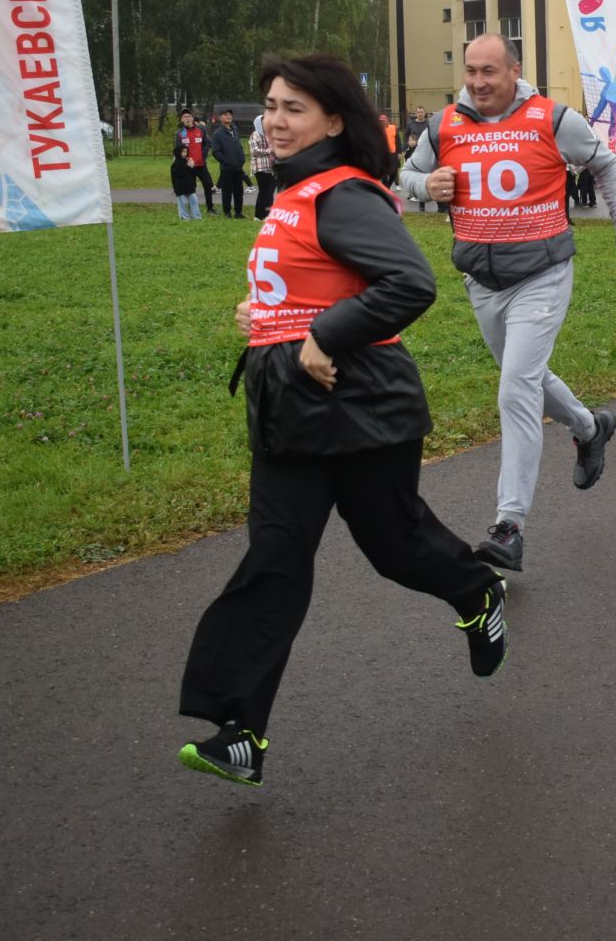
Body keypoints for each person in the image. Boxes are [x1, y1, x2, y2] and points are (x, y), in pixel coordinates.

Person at [177, 54, 506, 788]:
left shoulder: (344, 194)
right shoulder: (291, 192)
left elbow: (409, 283)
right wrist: (266, 318)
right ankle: (241, 730)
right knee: (276, 558)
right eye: (270, 105)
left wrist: (323, 335)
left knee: (394, 545)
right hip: (291, 409)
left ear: (333, 118)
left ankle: (476, 590)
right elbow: (311, 285)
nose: (275, 119)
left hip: (362, 405)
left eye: (294, 107)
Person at [398, 34, 616, 570]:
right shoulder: (444, 126)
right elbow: (405, 177)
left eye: (489, 71)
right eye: (470, 71)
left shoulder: (552, 119)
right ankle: (589, 427)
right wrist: (426, 185)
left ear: (515, 70)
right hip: (481, 280)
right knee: (525, 376)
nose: (478, 82)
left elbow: (606, 165)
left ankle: (509, 525)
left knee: (515, 387)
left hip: (542, 273)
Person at [175, 108, 216, 214]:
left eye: (189, 116)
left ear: (192, 118)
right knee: (190, 188)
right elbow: (177, 149)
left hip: (201, 165)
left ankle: (210, 208)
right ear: (182, 120)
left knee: (207, 184)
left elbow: (208, 143)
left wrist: (202, 155)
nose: (187, 118)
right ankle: (192, 208)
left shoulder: (201, 130)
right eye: (185, 117)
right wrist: (183, 161)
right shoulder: (180, 133)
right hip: (188, 166)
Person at [210, 109, 248, 219]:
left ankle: (238, 212)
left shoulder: (234, 130)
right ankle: (227, 213)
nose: (229, 116)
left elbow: (239, 146)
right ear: (220, 117)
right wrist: (226, 161)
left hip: (238, 167)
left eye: (230, 114)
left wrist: (242, 159)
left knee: (239, 191)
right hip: (227, 168)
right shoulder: (218, 134)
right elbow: (216, 152)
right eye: (226, 115)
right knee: (227, 192)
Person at [250, 113, 275, 221]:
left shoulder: (270, 134)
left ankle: (265, 215)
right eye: (264, 122)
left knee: (269, 192)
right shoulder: (255, 134)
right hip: (260, 168)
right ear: (259, 124)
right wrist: (269, 151)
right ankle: (260, 215)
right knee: (264, 191)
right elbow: (254, 150)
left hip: (271, 168)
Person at [170, 150, 200, 221]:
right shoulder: (175, 164)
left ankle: (197, 216)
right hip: (180, 187)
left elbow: (193, 174)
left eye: (186, 152)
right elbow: (180, 174)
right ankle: (184, 217)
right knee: (181, 202)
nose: (184, 154)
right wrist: (188, 167)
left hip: (189, 186)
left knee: (194, 200)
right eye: (182, 152)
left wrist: (192, 167)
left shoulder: (187, 161)